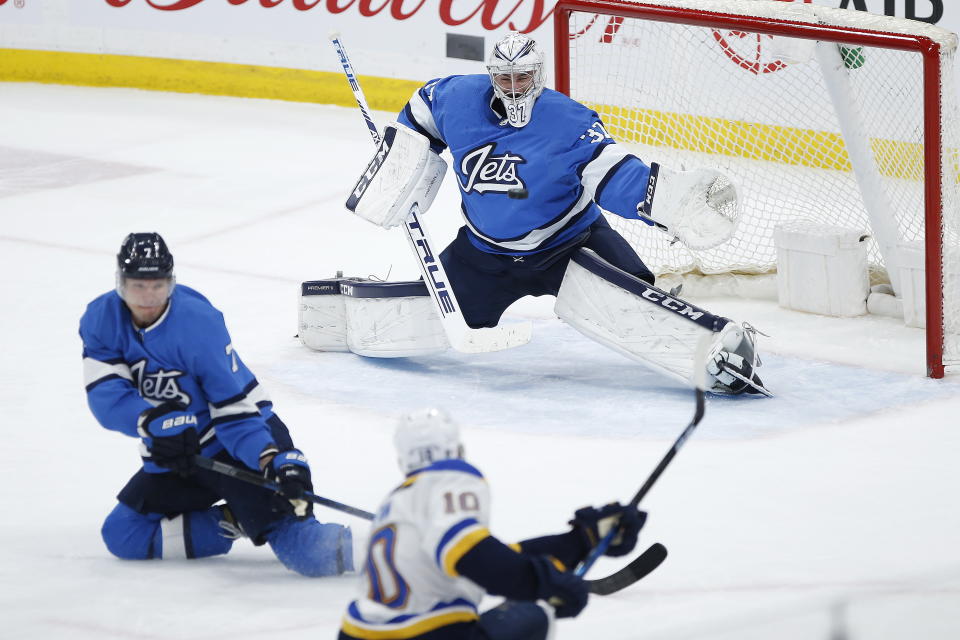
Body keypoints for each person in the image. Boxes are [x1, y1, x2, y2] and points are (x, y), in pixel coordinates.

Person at [348, 32, 767, 396]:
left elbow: (614, 172)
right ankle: (341, 307)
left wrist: (666, 202)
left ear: (539, 74)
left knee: (634, 306)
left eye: (522, 77)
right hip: (483, 256)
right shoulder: (455, 98)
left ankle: (724, 353)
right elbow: (421, 111)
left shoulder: (569, 121)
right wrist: (403, 159)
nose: (512, 87)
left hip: (570, 244)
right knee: (419, 320)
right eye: (504, 78)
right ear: (491, 74)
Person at [80, 232, 352, 576]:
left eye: (158, 286)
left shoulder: (198, 324)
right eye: (138, 286)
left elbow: (235, 412)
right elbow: (105, 393)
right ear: (120, 284)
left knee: (313, 555)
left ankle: (387, 552)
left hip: (240, 438)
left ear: (172, 283)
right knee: (124, 535)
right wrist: (149, 421)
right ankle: (233, 518)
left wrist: (269, 460)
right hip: (183, 452)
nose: (148, 298)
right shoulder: (101, 319)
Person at [338, 408, 646, 639]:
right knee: (533, 616)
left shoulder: (397, 503)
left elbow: (487, 557)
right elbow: (480, 560)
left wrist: (580, 541)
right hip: (419, 635)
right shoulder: (450, 478)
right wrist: (547, 582)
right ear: (456, 448)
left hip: (356, 633)